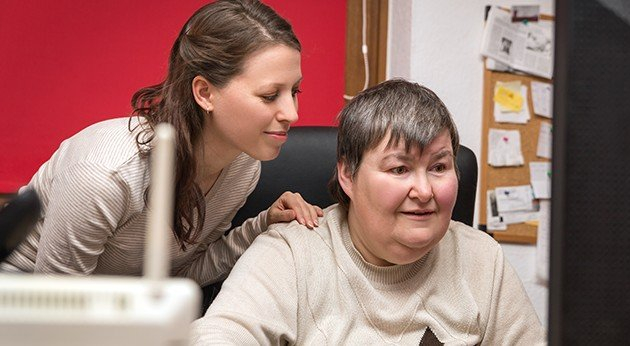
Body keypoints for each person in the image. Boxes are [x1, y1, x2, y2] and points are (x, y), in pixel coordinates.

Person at [190, 79, 546, 344]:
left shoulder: (483, 259)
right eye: (399, 169)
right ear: (348, 175)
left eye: (439, 168)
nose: (424, 191)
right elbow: (219, 336)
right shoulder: (290, 253)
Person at [0, 0, 322, 288]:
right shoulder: (104, 176)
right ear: (205, 93)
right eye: (269, 95)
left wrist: (262, 225)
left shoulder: (242, 166)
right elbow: (55, 310)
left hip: (120, 314)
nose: (292, 113)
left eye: (294, 92)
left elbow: (173, 282)